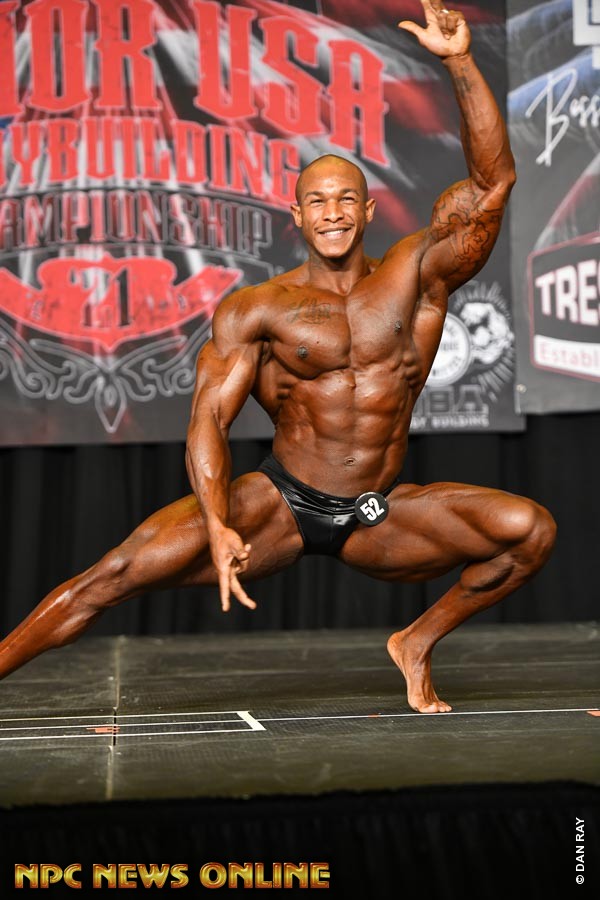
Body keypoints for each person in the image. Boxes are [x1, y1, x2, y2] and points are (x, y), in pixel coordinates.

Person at [0, 1, 556, 713]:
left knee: (529, 532)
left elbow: (491, 185)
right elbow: (208, 420)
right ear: (297, 214)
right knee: (109, 577)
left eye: (346, 199)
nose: (333, 213)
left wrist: (460, 62)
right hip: (279, 505)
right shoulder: (258, 308)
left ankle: (416, 641)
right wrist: (216, 523)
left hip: (377, 514)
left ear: (366, 210)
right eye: (317, 202)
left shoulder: (417, 274)